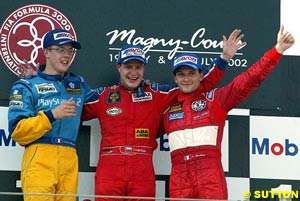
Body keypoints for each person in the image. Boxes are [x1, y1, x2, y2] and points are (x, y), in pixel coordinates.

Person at [81, 29, 245, 201]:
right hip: (110, 167)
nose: (133, 73)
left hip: (142, 167)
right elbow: (75, 113)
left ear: (144, 68)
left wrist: (223, 59)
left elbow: (199, 84)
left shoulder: (156, 93)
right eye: (128, 67)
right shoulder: (103, 96)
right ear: (118, 67)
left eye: (138, 67)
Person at [161, 25, 295, 200]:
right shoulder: (166, 107)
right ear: (175, 78)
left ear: (201, 75)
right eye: (181, 74)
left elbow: (249, 79)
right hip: (179, 181)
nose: (186, 78)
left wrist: (277, 51)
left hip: (210, 178)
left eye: (191, 73)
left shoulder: (215, 99)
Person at [8, 29, 98, 201]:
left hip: (70, 158)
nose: (66, 56)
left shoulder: (78, 84)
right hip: (39, 156)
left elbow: (108, 101)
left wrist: (141, 87)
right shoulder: (26, 85)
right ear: (46, 52)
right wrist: (51, 115)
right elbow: (18, 131)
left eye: (70, 51)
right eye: (60, 50)